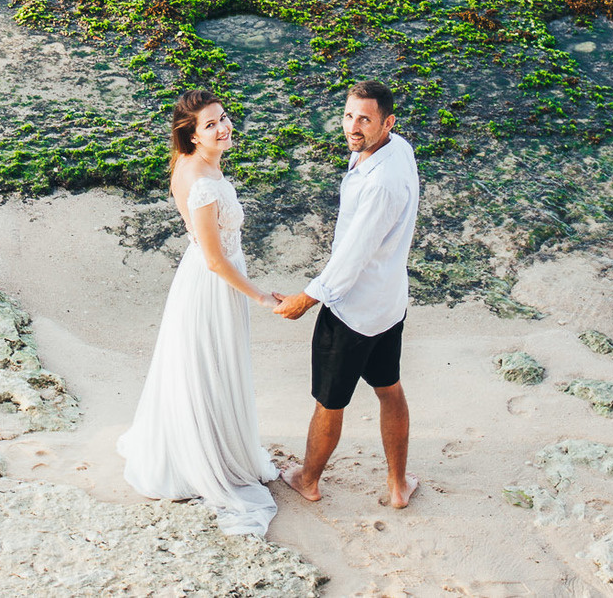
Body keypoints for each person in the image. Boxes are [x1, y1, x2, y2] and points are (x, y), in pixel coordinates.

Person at [118, 90, 283, 536]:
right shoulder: (203, 182)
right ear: (192, 135)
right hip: (213, 286)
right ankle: (208, 456)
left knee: (204, 367)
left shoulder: (193, 164)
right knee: (210, 367)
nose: (223, 127)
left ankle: (210, 443)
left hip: (205, 280)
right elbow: (214, 259)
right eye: (210, 124)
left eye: (223, 117)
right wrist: (261, 297)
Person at [275, 81, 422, 508]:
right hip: (389, 303)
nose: (353, 127)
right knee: (389, 388)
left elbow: (352, 257)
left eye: (364, 119)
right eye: (348, 115)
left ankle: (308, 480)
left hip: (352, 312)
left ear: (387, 122)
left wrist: (305, 300)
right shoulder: (398, 149)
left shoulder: (380, 185)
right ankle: (397, 486)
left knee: (330, 402)